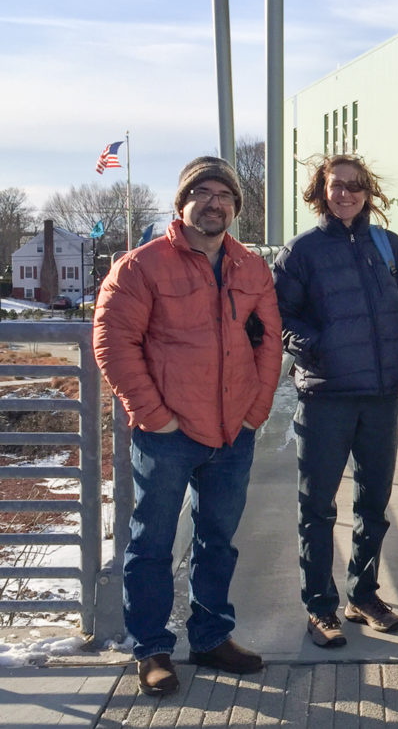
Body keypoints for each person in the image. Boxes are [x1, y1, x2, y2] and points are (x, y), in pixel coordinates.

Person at [93, 156, 283, 697]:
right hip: (167, 435)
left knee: (218, 541)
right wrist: (156, 416)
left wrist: (256, 410)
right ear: (182, 203)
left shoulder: (250, 267)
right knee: (151, 543)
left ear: (235, 209)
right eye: (202, 191)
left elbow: (270, 341)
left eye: (225, 194)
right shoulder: (141, 265)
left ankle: (210, 636)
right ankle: (151, 648)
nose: (214, 201)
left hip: (233, 432)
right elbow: (113, 342)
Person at [273, 154, 398, 648]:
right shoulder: (300, 252)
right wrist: (314, 345)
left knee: (374, 504)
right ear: (321, 190)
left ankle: (362, 595)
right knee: (317, 508)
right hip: (325, 397)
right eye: (337, 185)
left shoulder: (389, 246)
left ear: (368, 191)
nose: (347, 194)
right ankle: (319, 607)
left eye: (356, 186)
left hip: (381, 397)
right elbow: (278, 315)